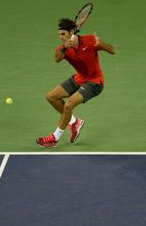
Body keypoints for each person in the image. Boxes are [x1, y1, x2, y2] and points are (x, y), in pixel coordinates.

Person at [36, 18, 115, 147]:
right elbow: (57, 59)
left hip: (94, 82)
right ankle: (74, 122)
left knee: (68, 105)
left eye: (63, 34)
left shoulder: (89, 40)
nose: (61, 37)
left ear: (72, 32)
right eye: (59, 35)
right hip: (79, 79)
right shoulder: (64, 47)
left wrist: (101, 44)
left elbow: (112, 50)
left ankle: (55, 138)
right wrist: (63, 47)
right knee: (51, 96)